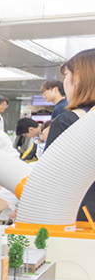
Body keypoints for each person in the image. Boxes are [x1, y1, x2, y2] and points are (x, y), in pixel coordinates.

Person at [45, 49, 95, 224]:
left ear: (78, 78)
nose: (64, 81)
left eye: (66, 75)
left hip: (79, 219)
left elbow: (49, 179)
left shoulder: (67, 122)